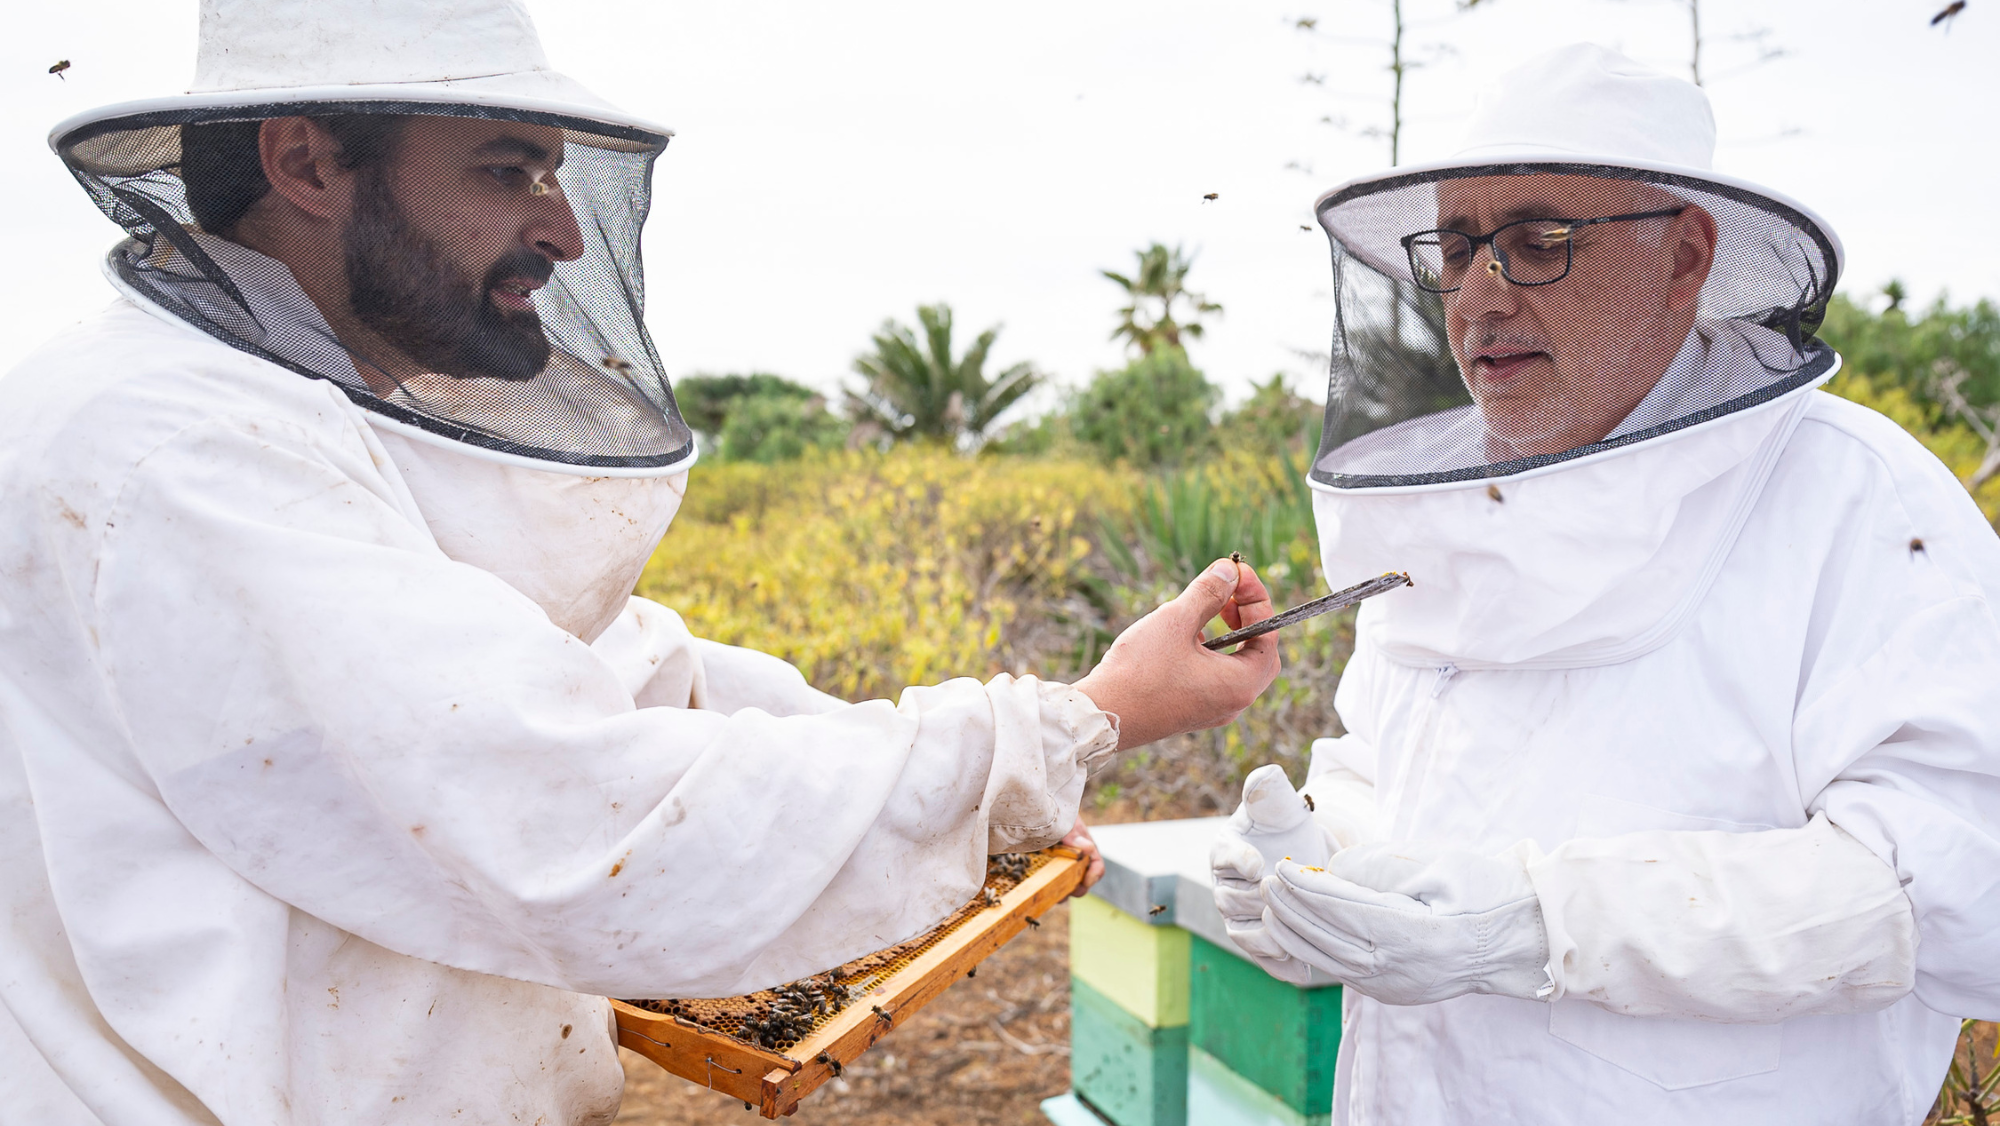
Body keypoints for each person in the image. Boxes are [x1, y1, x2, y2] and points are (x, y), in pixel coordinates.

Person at [0, 2, 1281, 1123]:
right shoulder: (177, 448)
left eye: (557, 176)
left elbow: (605, 674)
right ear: (309, 163)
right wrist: (1081, 722)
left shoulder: (264, 409)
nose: (559, 231)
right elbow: (568, 806)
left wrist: (1016, 766)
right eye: (509, 171)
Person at [1212, 44, 2000, 1124]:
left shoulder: (1861, 507)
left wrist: (1544, 919)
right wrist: (1314, 859)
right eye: (1455, 245)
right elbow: (1386, 762)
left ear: (1683, 258)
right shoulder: (1443, 514)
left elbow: (1952, 891)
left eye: (1536, 241)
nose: (1479, 291)